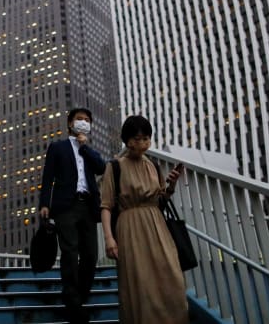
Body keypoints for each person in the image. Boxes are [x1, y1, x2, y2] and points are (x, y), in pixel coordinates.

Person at [100, 115, 187, 323]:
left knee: (171, 275)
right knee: (140, 282)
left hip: (157, 224)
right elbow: (106, 206)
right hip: (130, 227)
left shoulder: (154, 166)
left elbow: (160, 199)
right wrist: (109, 238)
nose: (143, 143)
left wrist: (171, 185)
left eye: (147, 138)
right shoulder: (114, 166)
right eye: (138, 138)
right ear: (128, 139)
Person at [38, 108, 107, 324]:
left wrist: (84, 145)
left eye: (87, 120)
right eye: (79, 119)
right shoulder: (57, 147)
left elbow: (101, 167)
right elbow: (48, 177)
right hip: (65, 206)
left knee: (90, 255)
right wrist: (44, 204)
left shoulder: (89, 150)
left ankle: (77, 294)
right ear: (70, 123)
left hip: (88, 205)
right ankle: (73, 302)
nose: (83, 122)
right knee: (69, 252)